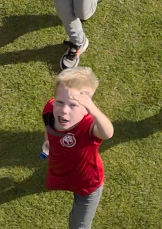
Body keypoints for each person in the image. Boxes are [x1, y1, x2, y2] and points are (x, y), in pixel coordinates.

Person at [41, 67, 112, 229]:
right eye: (60, 102)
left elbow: (108, 133)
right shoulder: (49, 111)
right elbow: (49, 129)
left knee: (79, 225)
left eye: (73, 105)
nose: (64, 111)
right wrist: (48, 142)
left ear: (86, 108)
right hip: (59, 171)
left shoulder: (88, 126)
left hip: (87, 182)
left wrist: (93, 109)